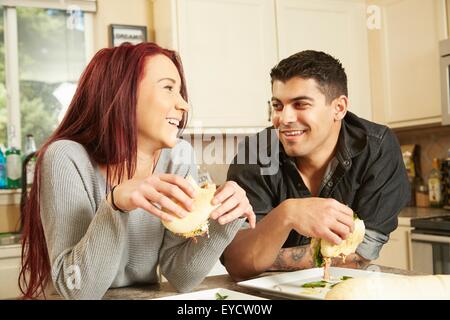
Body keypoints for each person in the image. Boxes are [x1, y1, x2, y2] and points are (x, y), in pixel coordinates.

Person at [19, 42, 255, 299]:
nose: (184, 104)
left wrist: (225, 218)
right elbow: (78, 291)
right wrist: (116, 204)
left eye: (180, 91)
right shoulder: (66, 158)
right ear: (123, 93)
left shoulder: (178, 156)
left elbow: (181, 276)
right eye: (168, 88)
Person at [222, 50, 410, 280]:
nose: (284, 118)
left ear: (339, 108)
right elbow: (237, 262)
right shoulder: (255, 152)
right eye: (278, 106)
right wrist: (287, 214)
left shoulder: (377, 148)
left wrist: (264, 256)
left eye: (300, 104)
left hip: (342, 289)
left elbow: (363, 251)